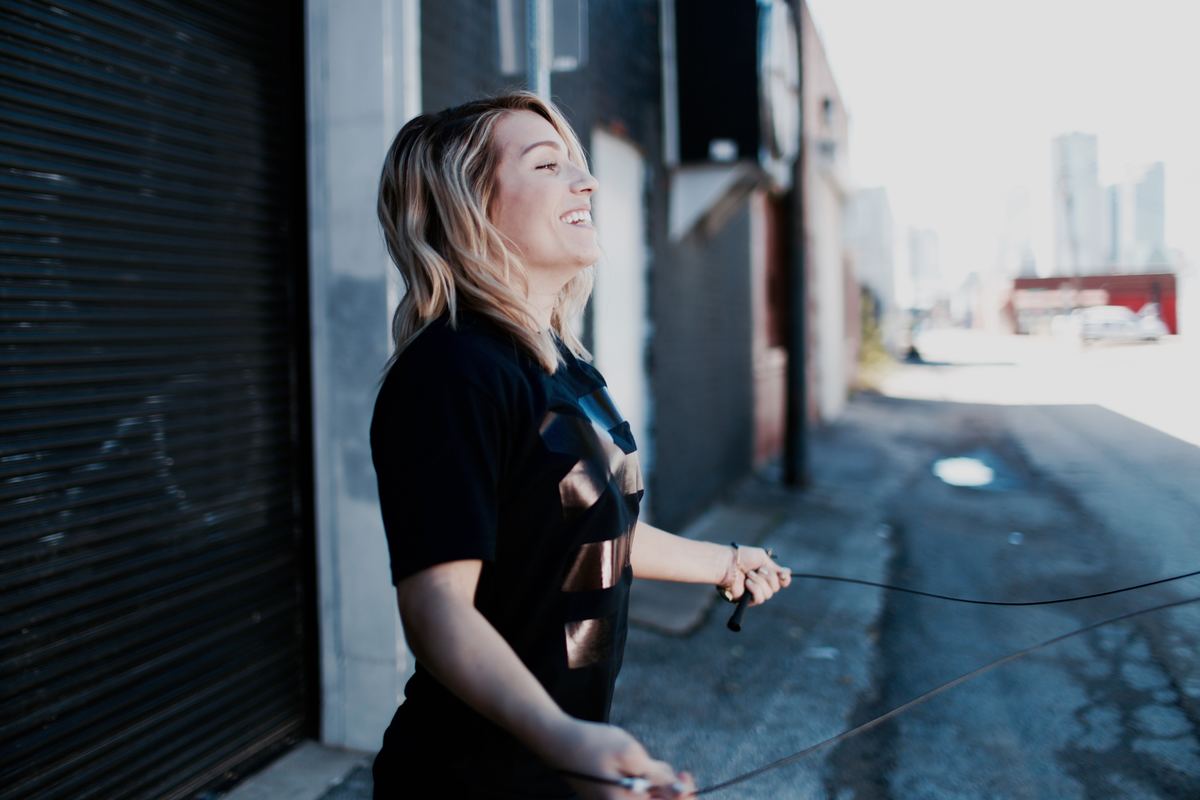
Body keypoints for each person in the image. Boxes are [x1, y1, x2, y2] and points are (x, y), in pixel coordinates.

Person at [369, 91, 792, 799]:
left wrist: (725, 561)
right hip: (469, 779)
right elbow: (438, 610)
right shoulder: (452, 373)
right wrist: (565, 740)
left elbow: (592, 528)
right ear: (470, 205)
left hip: (558, 766)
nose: (586, 182)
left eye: (579, 164)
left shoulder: (564, 366)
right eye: (548, 164)